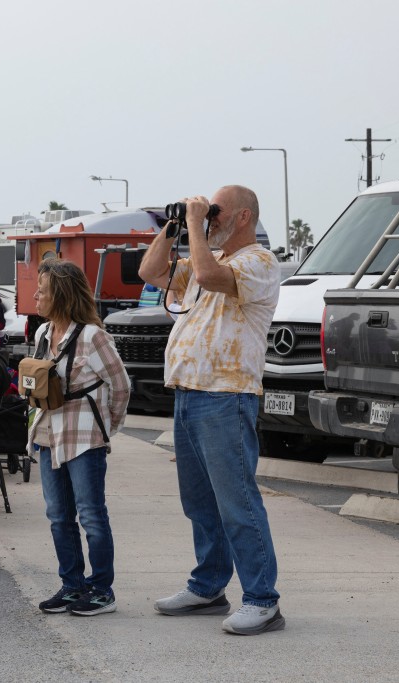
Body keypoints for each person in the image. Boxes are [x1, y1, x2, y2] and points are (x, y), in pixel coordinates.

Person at [138, 185, 285, 636]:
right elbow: (150, 271)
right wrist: (175, 225)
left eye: (218, 214)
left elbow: (203, 277)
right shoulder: (211, 258)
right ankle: (208, 586)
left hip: (226, 395)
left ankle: (262, 600)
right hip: (189, 393)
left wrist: (199, 229)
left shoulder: (258, 262)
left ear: (242, 217)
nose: (212, 220)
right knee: (200, 502)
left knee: (236, 502)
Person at [30, 259, 130, 618]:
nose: (36, 295)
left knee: (90, 515)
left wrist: (105, 427)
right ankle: (72, 586)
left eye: (42, 289)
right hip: (47, 433)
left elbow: (121, 386)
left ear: (60, 293)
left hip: (83, 437)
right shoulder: (43, 334)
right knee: (58, 516)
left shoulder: (93, 337)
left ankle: (102, 590)